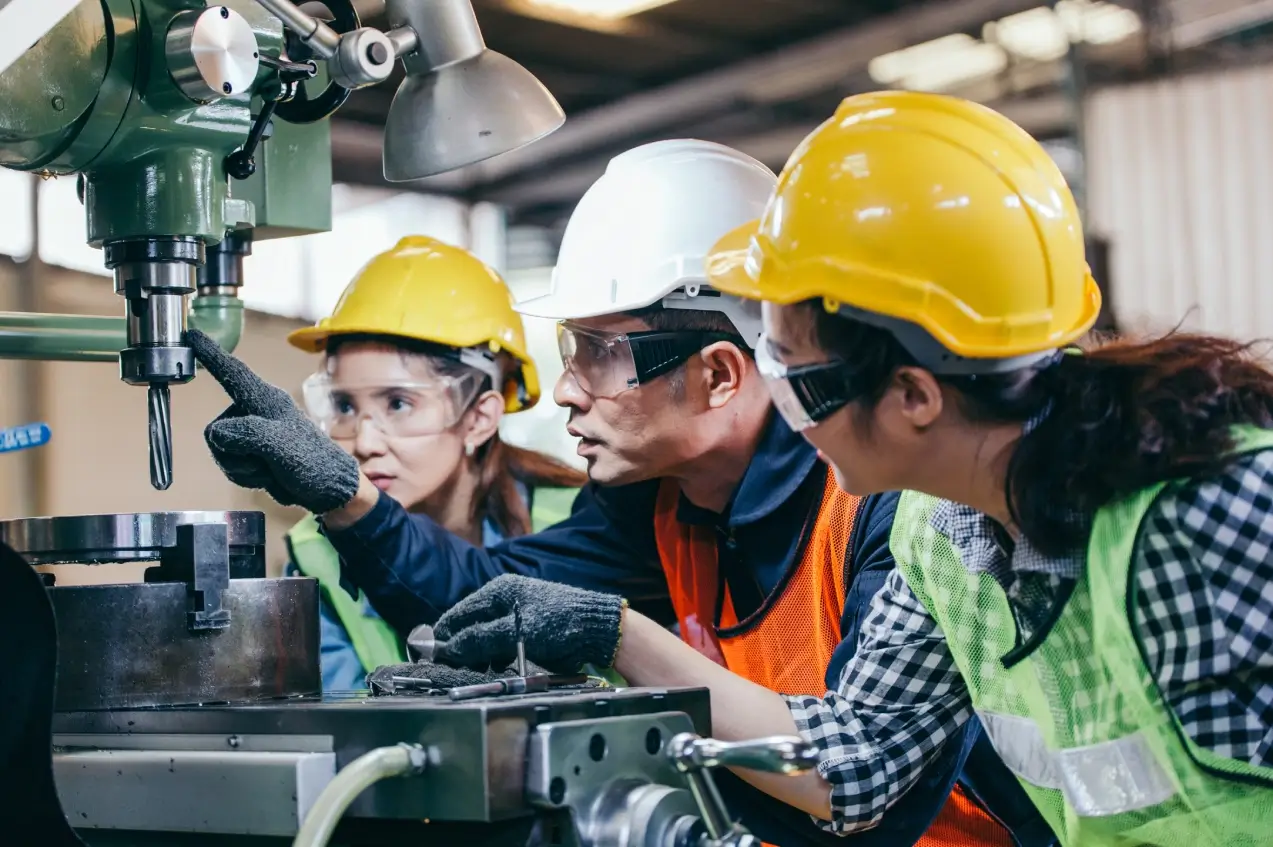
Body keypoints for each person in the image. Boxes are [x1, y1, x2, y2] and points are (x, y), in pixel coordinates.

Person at [185, 141, 1049, 846]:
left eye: (599, 351)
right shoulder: (658, 500)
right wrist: (344, 496)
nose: (565, 392)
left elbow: (865, 796)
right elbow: (483, 599)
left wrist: (619, 640)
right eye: (570, 348)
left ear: (717, 374)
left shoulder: (887, 507)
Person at [694, 90, 1273, 845]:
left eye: (796, 374)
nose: (786, 412)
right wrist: (616, 637)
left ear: (912, 394)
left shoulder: (1207, 508)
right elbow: (857, 759)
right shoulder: (939, 536)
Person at [282, 236, 586, 691]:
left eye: (399, 404)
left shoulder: (574, 521)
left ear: (480, 417)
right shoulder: (317, 552)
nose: (364, 443)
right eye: (344, 406)